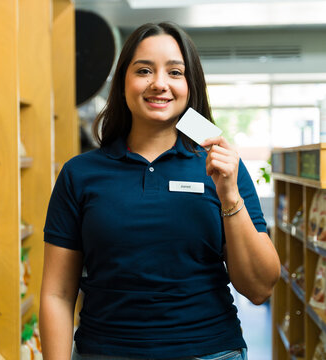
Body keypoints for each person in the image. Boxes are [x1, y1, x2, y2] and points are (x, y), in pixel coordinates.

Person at [39, 22, 280, 360]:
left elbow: (259, 288)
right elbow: (57, 294)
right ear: (124, 81)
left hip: (210, 351)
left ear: (190, 85)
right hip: (105, 352)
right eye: (144, 70)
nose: (160, 84)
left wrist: (229, 195)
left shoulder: (223, 167)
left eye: (175, 72)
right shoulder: (79, 173)